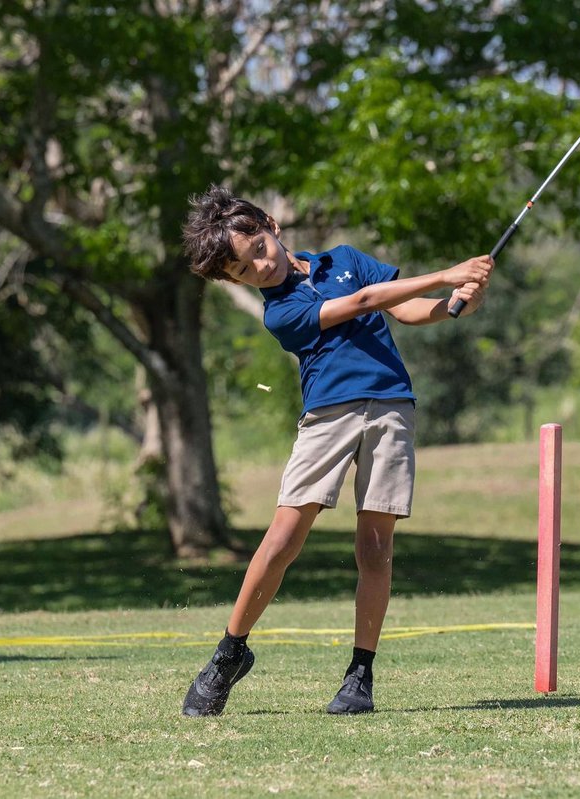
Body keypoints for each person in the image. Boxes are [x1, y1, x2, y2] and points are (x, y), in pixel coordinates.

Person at [179, 185, 492, 715]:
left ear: (271, 227)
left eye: (257, 251)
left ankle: (360, 675)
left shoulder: (346, 259)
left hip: (393, 407)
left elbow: (409, 311)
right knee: (283, 537)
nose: (258, 268)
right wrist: (446, 273)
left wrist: (455, 303)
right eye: (242, 272)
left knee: (375, 548)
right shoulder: (279, 314)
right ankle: (230, 651)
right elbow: (364, 303)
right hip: (328, 416)